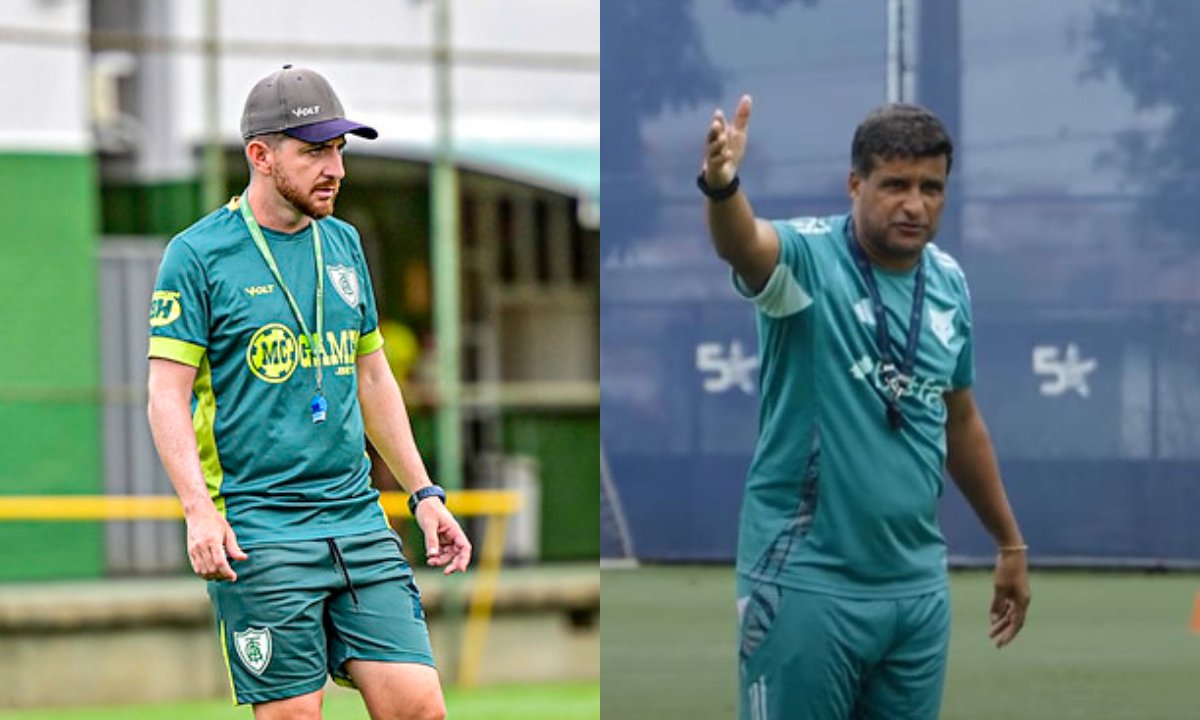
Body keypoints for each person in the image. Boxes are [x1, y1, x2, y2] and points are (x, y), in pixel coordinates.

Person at [146, 65, 470, 720]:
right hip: (259, 527)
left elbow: (373, 375)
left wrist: (424, 492)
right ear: (261, 157)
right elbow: (164, 395)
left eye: (339, 150)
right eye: (315, 151)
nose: (336, 169)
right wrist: (198, 511)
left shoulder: (345, 245)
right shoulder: (198, 256)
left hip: (355, 517)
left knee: (420, 709)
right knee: (293, 716)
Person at [700, 96, 1031, 720]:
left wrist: (1009, 543)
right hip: (805, 583)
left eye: (932, 188)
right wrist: (722, 188)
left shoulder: (949, 282)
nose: (915, 204)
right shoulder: (808, 258)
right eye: (896, 185)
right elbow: (744, 244)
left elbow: (960, 419)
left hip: (915, 591)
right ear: (856, 184)